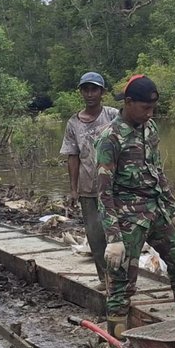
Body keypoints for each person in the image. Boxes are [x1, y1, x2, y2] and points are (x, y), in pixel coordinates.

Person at [94, 75, 175, 348]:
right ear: (128, 103)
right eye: (144, 108)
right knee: (121, 282)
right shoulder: (110, 138)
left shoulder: (150, 128)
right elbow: (103, 191)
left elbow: (158, 172)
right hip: (127, 216)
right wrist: (113, 237)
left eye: (153, 108)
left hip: (156, 210)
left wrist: (174, 212)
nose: (149, 113)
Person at [59, 71, 119, 282]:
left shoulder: (112, 115)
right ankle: (105, 279)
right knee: (95, 236)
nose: (90, 94)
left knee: (118, 234)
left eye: (94, 89)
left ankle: (121, 279)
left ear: (102, 92)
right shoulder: (73, 123)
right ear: (81, 92)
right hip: (88, 188)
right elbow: (73, 157)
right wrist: (73, 189)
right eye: (86, 89)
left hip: (115, 186)